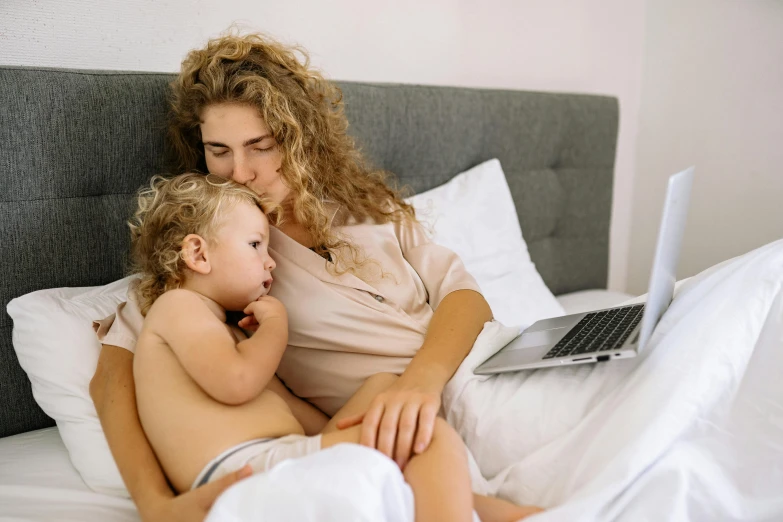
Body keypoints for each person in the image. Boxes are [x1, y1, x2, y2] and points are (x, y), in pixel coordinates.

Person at [90, 32, 497, 521]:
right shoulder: (218, 257)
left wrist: (421, 382)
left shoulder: (365, 208)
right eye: (219, 151)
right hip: (429, 420)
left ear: (298, 137)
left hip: (476, 368)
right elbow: (112, 379)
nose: (239, 172)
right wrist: (157, 506)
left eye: (259, 146)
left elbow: (466, 296)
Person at [128, 172, 541, 522]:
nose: (271, 262)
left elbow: (290, 410)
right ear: (198, 253)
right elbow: (237, 382)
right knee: (429, 439)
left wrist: (362, 426)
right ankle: (476, 509)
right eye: (255, 246)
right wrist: (276, 327)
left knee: (383, 388)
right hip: (243, 470)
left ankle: (469, 505)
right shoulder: (177, 308)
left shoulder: (222, 329)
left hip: (281, 453)